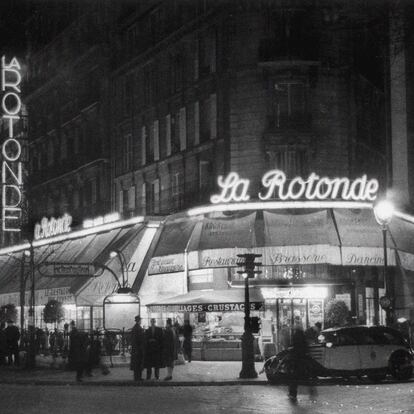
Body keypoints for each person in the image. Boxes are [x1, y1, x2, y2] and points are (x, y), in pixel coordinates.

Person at [287, 317, 317, 403]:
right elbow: (304, 346)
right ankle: (311, 391)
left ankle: (293, 393)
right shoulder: (302, 334)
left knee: (295, 377)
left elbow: (295, 346)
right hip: (301, 358)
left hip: (297, 358)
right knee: (304, 375)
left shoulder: (296, 334)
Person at [130, 316, 145, 381]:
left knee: (136, 363)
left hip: (135, 348)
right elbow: (140, 339)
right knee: (138, 363)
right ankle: (138, 377)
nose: (141, 321)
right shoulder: (138, 328)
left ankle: (137, 377)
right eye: (140, 320)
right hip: (138, 348)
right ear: (138, 321)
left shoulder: (135, 327)